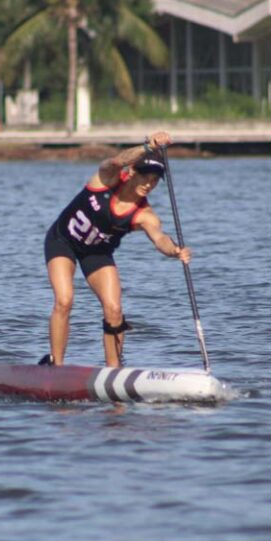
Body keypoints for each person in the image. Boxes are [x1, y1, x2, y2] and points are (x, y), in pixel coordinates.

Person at [42, 130, 191, 367]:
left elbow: (159, 238)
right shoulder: (106, 179)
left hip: (97, 252)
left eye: (155, 180)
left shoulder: (144, 214)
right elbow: (117, 160)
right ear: (132, 172)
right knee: (65, 300)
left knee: (114, 309)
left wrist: (174, 250)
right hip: (63, 240)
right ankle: (56, 366)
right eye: (145, 177)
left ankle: (114, 370)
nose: (149, 184)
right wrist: (147, 147)